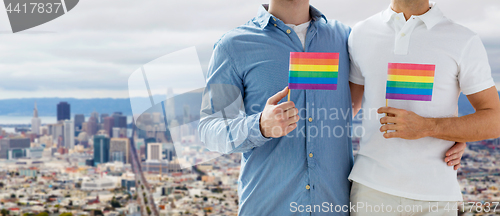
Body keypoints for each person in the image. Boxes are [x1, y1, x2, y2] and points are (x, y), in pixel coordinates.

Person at [348, 0, 500, 215]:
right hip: (371, 191)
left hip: (436, 197)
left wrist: (429, 127)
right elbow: (345, 109)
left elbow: (495, 121)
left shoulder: (463, 39)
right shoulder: (360, 33)